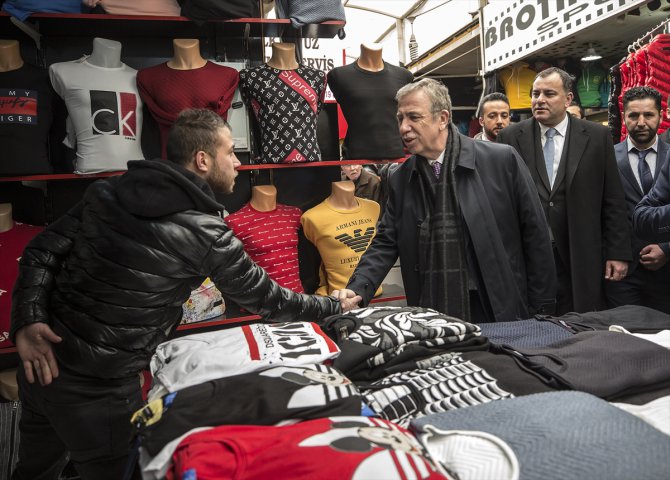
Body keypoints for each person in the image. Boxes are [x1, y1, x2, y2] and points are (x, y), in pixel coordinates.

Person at [10, 109, 359, 480]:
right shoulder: (206, 233)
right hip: (100, 390)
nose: (238, 163)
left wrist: (28, 321)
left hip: (41, 366)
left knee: (32, 472)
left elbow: (40, 251)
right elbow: (268, 300)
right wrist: (330, 304)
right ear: (202, 160)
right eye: (230, 152)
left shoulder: (110, 191)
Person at [339, 78, 556, 323]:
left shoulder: (500, 161)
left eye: (414, 117)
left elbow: (536, 234)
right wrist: (359, 287)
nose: (403, 127)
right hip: (432, 310)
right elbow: (386, 240)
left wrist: (541, 306)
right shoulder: (401, 178)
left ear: (442, 118)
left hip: (496, 304)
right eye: (400, 119)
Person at [497, 67, 631, 315]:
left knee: (581, 321)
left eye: (549, 94)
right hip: (529, 255)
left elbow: (612, 199)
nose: (539, 100)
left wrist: (618, 253)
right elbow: (501, 201)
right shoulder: (510, 137)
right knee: (535, 323)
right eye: (535, 93)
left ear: (568, 99)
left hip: (580, 252)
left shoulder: (597, 136)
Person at [606, 86, 670, 312]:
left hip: (666, 271)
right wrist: (615, 254)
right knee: (624, 331)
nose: (641, 122)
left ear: (660, 116)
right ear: (624, 117)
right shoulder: (607, 158)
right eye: (634, 115)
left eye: (648, 115)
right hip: (623, 271)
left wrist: (666, 248)